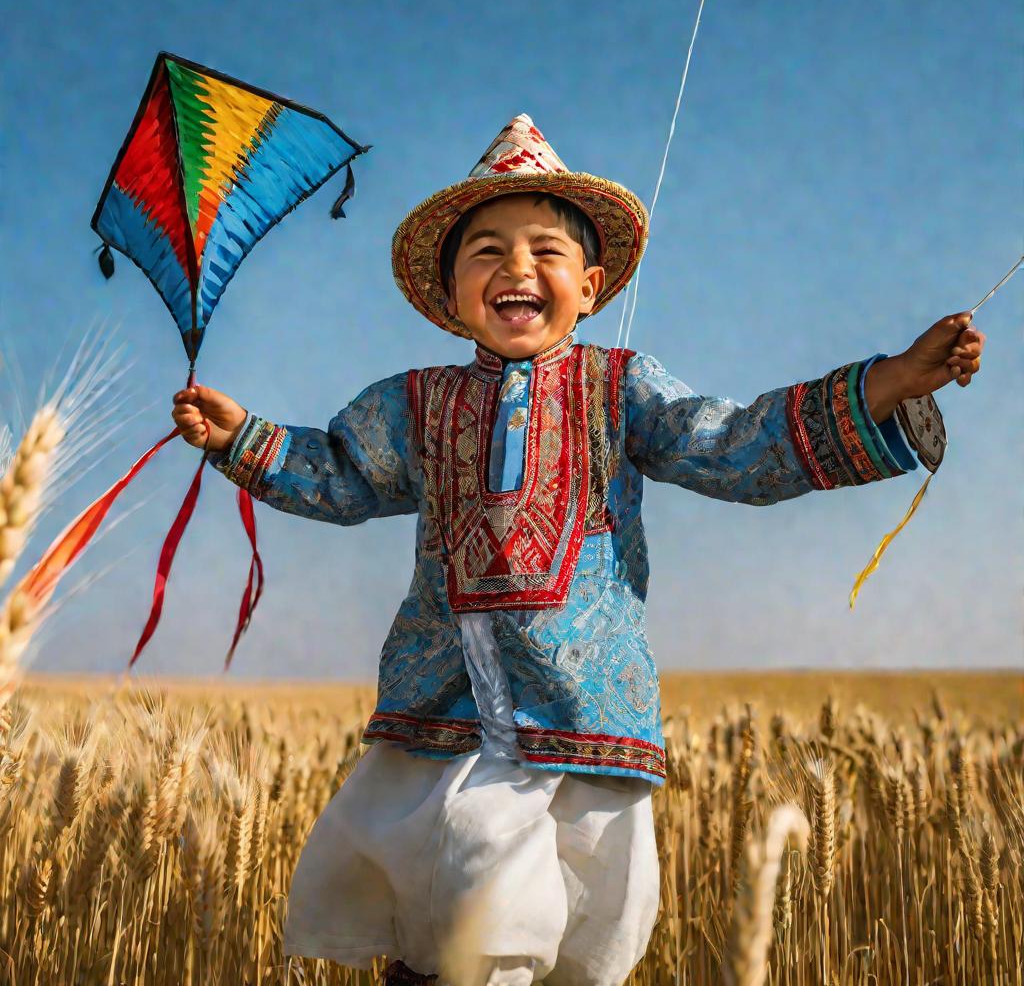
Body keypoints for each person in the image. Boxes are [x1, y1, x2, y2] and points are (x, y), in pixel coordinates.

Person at [170, 115, 985, 985]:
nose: (516, 268)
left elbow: (735, 444)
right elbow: (338, 474)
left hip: (587, 717)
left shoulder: (620, 388)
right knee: (461, 913)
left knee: (585, 932)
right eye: (485, 251)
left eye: (545, 251)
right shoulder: (411, 404)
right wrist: (243, 438)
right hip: (446, 717)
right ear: (450, 297)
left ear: (591, 287)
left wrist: (894, 379)